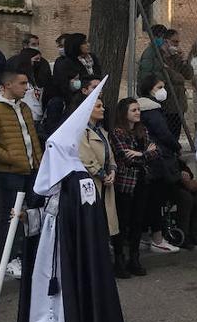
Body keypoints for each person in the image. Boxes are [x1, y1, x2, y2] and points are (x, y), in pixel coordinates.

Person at [18, 78, 126, 322]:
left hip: (69, 248)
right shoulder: (59, 179)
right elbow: (45, 210)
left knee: (66, 284)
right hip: (50, 246)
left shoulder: (80, 180)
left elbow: (82, 218)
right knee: (44, 281)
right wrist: (26, 217)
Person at [0, 69, 42, 269]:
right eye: (22, 84)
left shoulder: (24, 108)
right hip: (8, 172)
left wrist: (38, 161)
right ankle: (9, 257)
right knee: (12, 214)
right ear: (7, 86)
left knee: (26, 214)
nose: (26, 88)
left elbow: (32, 139)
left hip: (30, 170)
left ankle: (23, 254)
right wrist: (11, 158)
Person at [111, 97, 160, 276]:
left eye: (138, 109)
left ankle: (134, 258)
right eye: (134, 110)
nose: (138, 112)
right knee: (123, 222)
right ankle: (120, 260)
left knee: (137, 221)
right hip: (125, 182)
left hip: (141, 180)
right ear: (124, 113)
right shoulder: (118, 132)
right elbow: (125, 157)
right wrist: (146, 153)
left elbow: (156, 152)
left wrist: (141, 153)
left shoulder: (142, 131)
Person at [137, 76, 182, 254]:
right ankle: (157, 238)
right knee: (156, 200)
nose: (163, 90)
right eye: (159, 87)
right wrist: (176, 147)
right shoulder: (152, 110)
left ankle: (144, 236)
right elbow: (164, 134)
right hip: (158, 162)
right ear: (150, 89)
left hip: (149, 160)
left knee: (149, 201)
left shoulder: (142, 109)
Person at [78, 96, 120, 275]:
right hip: (91, 183)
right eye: (98, 106)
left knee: (106, 223)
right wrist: (102, 174)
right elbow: (86, 157)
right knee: (93, 222)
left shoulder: (102, 131)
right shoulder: (82, 131)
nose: (103, 109)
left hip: (105, 183)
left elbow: (110, 156)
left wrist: (112, 170)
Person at [139, 25, 193, 138]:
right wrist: (175, 75)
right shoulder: (155, 55)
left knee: (175, 132)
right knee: (165, 133)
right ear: (166, 41)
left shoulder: (176, 57)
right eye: (174, 42)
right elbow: (155, 76)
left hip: (178, 102)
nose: (176, 45)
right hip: (165, 101)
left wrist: (184, 61)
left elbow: (188, 75)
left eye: (178, 42)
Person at [51, 33, 101, 107]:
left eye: (87, 42)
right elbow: (63, 86)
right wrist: (76, 85)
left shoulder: (93, 58)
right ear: (76, 45)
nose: (88, 45)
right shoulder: (67, 63)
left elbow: (98, 75)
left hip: (95, 97)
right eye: (84, 43)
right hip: (76, 101)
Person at [174, 161, 197, 250]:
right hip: (169, 184)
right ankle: (184, 234)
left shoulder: (175, 155)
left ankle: (195, 231)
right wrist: (179, 175)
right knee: (186, 197)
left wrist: (186, 174)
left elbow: (187, 170)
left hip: (182, 184)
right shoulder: (163, 152)